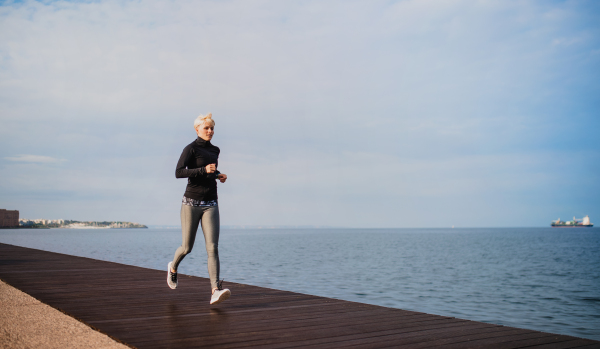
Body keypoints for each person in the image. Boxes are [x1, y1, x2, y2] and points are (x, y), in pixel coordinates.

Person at [167, 113, 231, 305]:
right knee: (187, 247)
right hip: (191, 204)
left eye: (212, 128)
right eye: (206, 128)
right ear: (197, 129)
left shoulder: (215, 150)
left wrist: (218, 175)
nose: (210, 131)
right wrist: (204, 170)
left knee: (212, 248)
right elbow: (179, 172)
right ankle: (173, 268)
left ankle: (215, 290)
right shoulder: (191, 149)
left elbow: (210, 171)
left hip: (211, 203)